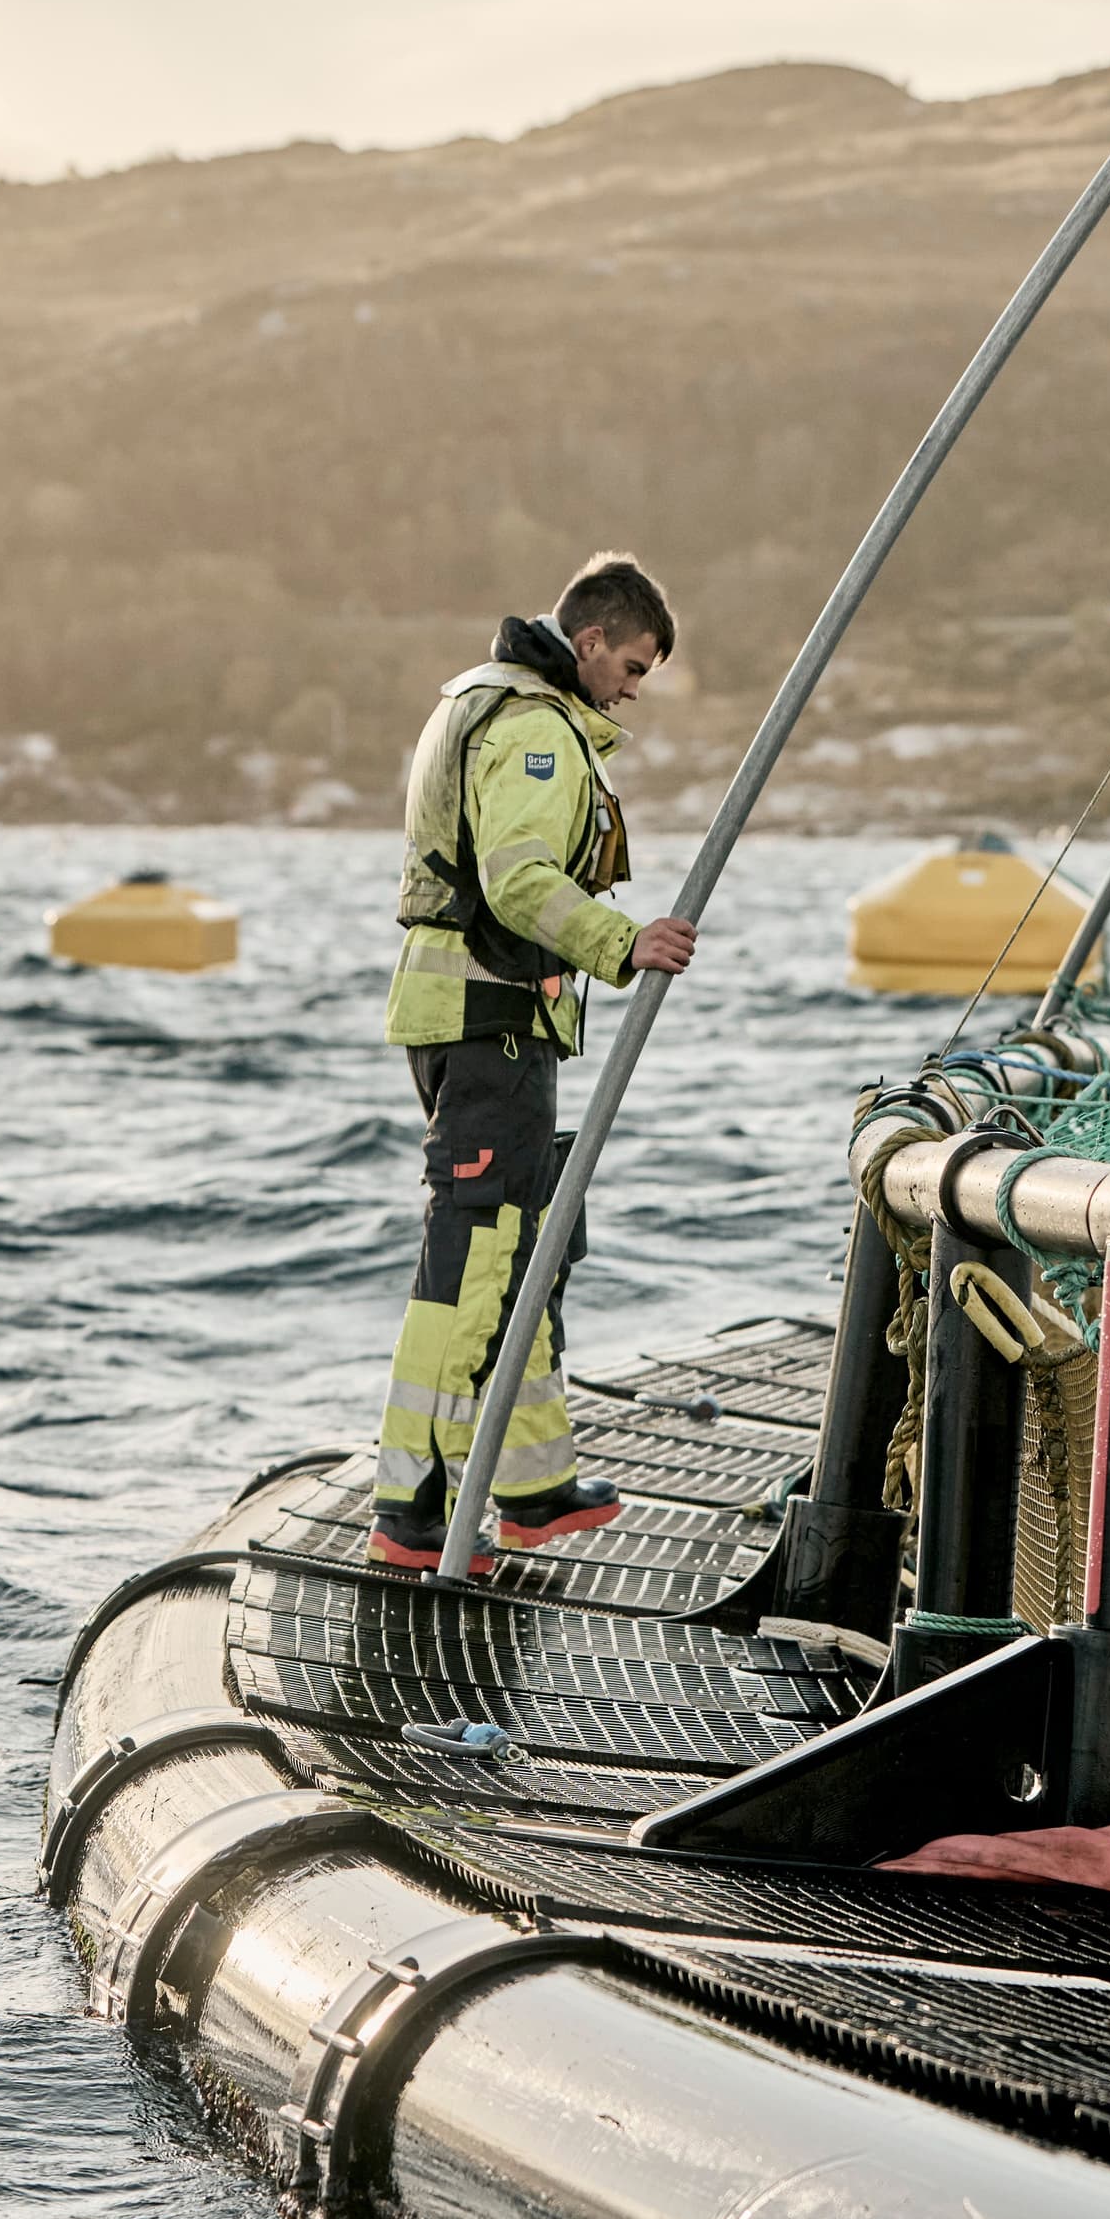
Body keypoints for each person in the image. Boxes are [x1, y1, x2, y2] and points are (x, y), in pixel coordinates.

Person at [370, 552, 698, 1572]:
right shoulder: (536, 730)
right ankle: (414, 1512)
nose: (633, 690)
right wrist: (624, 942)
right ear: (589, 641)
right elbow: (517, 881)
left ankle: (529, 1488)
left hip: (485, 1020)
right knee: (474, 1261)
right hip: (491, 1022)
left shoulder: (485, 703)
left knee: (523, 1251)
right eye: (632, 667)